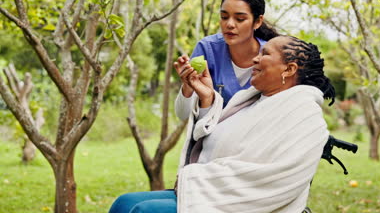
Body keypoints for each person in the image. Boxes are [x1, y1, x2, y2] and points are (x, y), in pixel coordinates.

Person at [109, 35, 336, 213]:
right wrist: (206, 98)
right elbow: (217, 139)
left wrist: (199, 179)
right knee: (123, 203)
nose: (255, 59)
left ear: (289, 69)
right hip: (212, 191)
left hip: (241, 204)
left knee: (143, 211)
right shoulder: (254, 100)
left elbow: (275, 178)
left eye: (265, 54)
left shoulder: (304, 116)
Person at [174, 0, 279, 121]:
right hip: (211, 138)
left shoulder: (273, 57)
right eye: (224, 17)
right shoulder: (207, 49)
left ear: (258, 22)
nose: (229, 24)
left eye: (239, 19)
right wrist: (188, 86)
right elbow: (183, 116)